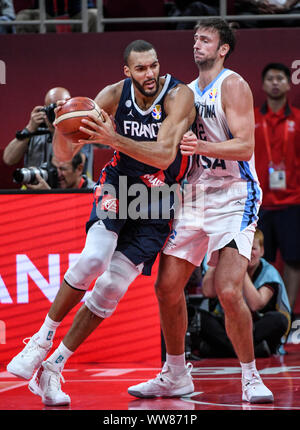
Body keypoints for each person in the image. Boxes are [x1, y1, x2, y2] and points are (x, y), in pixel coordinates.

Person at [6, 39, 195, 406]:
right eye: (141, 68)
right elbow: (65, 157)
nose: (150, 74)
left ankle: (53, 368)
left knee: (111, 286)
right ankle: (40, 341)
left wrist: (112, 137)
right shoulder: (112, 95)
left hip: (157, 201)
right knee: (94, 258)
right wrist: (64, 128)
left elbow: (163, 155)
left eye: (153, 65)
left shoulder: (179, 96)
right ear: (127, 72)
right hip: (119, 185)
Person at [127, 18, 274, 403]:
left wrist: (201, 147)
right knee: (166, 287)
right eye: (194, 38)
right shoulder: (186, 92)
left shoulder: (233, 84)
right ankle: (175, 374)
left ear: (223, 48)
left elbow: (244, 147)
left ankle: (251, 376)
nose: (197, 44)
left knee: (227, 290)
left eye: (205, 39)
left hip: (234, 195)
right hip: (195, 196)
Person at [195, 229, 291, 359]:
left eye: (253, 249)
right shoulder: (225, 264)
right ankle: (252, 352)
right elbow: (208, 292)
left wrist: (241, 267)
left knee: (279, 320)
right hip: (227, 324)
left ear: (262, 251)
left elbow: (255, 304)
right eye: (243, 249)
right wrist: (216, 258)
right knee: (199, 317)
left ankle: (221, 351)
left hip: (256, 325)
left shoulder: (269, 272)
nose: (247, 253)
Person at [254, 63, 300, 314]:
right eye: (269, 78)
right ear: (262, 85)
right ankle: (266, 312)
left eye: (279, 78)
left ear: (288, 83)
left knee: (294, 261)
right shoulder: (251, 118)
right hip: (260, 204)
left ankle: (288, 315)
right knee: (260, 260)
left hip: (293, 202)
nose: (274, 82)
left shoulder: (298, 119)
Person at [3, 87, 94, 179]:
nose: (56, 113)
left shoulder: (78, 130)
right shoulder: (35, 130)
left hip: (66, 191)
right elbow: (8, 159)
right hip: (35, 188)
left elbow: (76, 163)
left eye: (60, 108)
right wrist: (29, 129)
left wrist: (57, 132)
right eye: (52, 109)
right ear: (44, 110)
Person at [15, 0, 97, 33]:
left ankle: (94, 54)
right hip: (48, 18)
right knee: (23, 17)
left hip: (75, 17)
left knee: (94, 15)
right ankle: (27, 58)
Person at [26, 152, 95, 190]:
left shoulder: (96, 193)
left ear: (79, 169)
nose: (57, 174)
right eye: (54, 168)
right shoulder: (45, 185)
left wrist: (48, 195)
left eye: (63, 169)